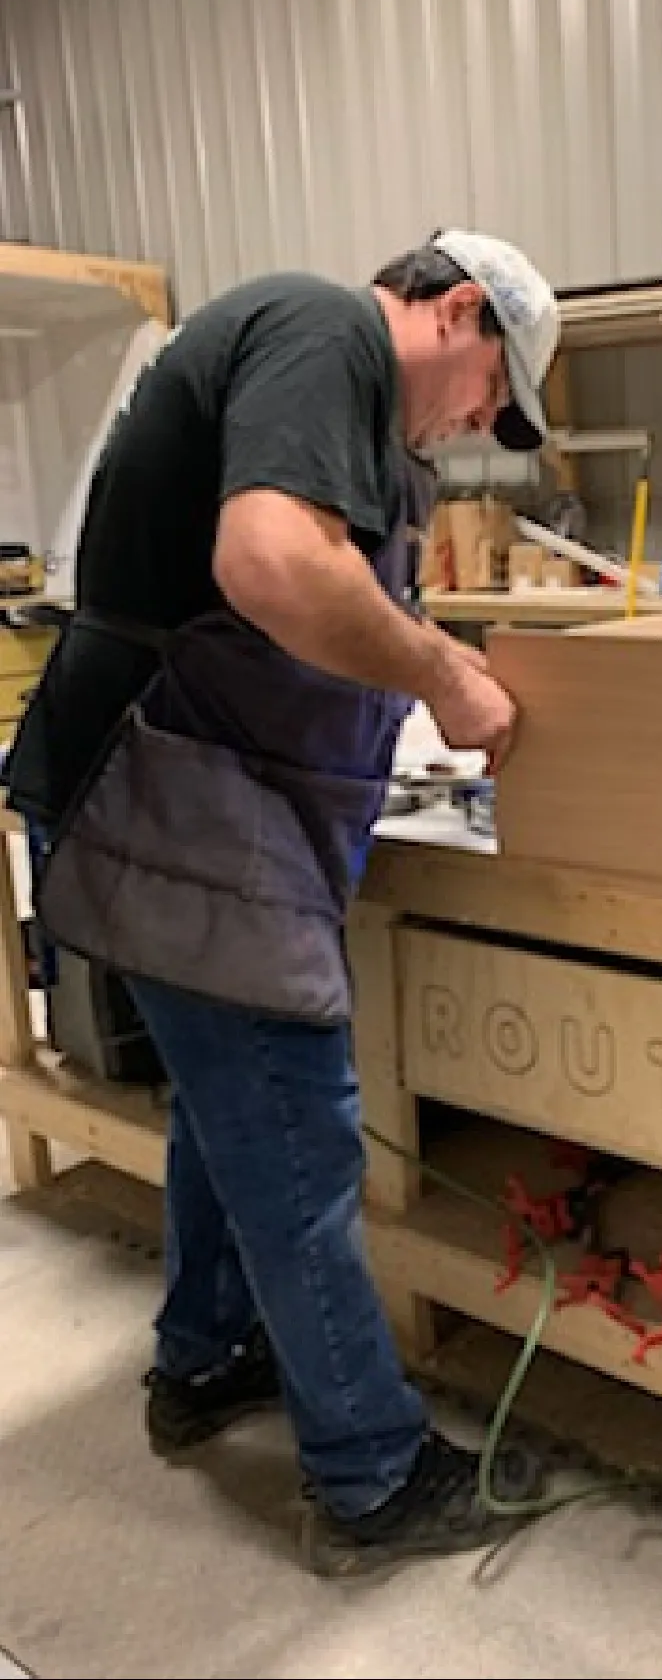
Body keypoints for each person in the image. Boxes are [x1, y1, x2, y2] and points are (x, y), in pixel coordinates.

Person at [1, 228, 560, 1566]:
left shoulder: (355, 406)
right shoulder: (325, 331)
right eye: (494, 388)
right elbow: (270, 563)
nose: (479, 423)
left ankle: (203, 1358)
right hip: (177, 794)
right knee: (297, 1137)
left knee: (229, 1108)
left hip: (205, 800)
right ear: (457, 310)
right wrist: (444, 674)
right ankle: (369, 1472)